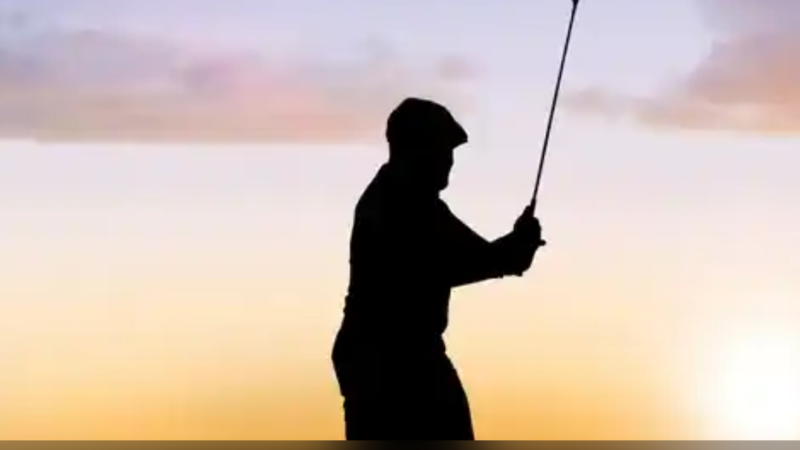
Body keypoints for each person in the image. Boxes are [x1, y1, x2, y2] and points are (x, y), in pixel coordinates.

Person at [331, 97, 545, 440]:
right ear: (418, 149)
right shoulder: (402, 206)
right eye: (444, 149)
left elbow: (483, 258)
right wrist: (516, 249)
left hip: (382, 360)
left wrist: (515, 248)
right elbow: (463, 261)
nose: (449, 161)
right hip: (395, 364)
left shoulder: (407, 200)